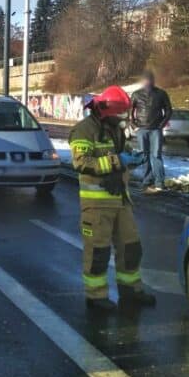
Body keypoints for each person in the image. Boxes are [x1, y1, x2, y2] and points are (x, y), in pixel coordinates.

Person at [69, 85, 156, 312]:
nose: (122, 119)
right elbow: (81, 163)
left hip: (120, 200)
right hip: (96, 205)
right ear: (106, 112)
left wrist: (132, 158)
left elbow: (120, 152)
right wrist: (118, 161)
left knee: (131, 247)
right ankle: (96, 296)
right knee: (98, 252)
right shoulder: (84, 131)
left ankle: (131, 290)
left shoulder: (114, 129)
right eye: (119, 114)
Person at [130, 70, 172, 193]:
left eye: (149, 79)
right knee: (145, 155)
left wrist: (161, 125)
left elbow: (168, 111)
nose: (147, 82)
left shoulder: (161, 93)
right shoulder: (136, 94)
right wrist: (134, 125)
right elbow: (130, 112)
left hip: (155, 130)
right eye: (145, 80)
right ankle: (147, 180)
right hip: (141, 129)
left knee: (156, 155)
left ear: (153, 81)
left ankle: (159, 182)